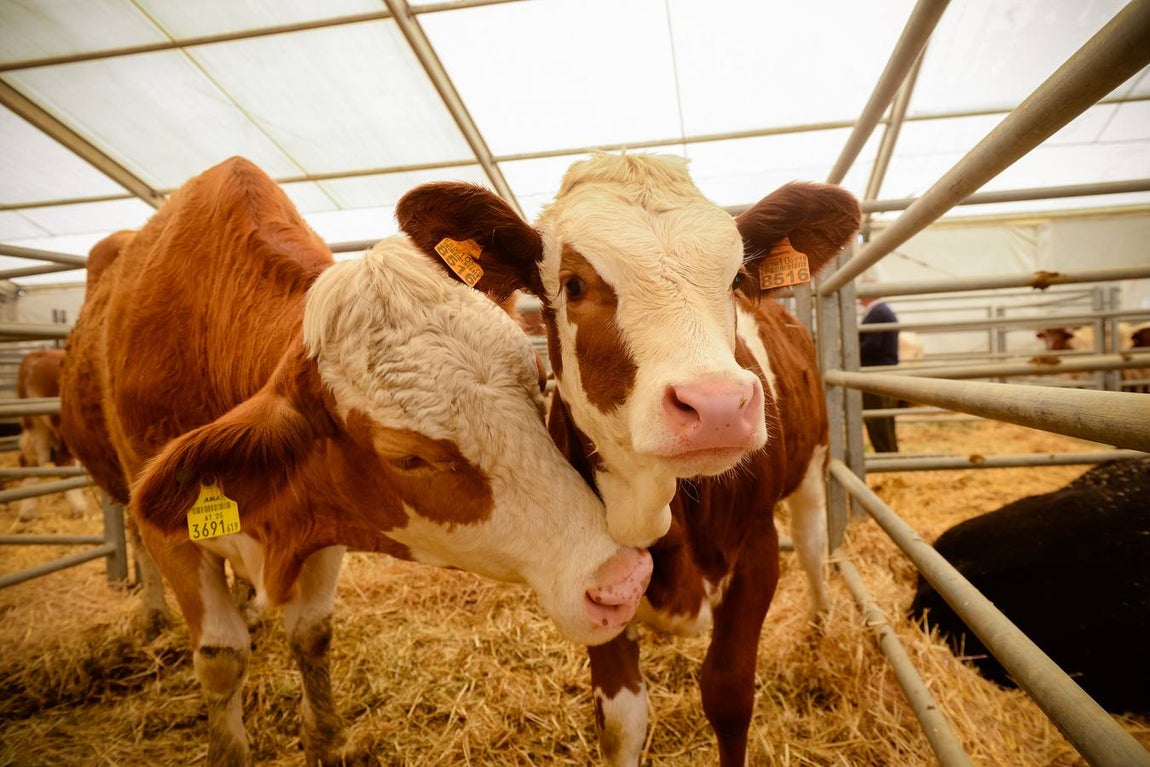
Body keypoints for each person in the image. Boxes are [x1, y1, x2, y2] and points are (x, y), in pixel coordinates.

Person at [859, 295, 900, 453]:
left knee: (877, 417)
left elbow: (873, 345)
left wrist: (848, 351)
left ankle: (885, 453)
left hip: (875, 371)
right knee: (884, 417)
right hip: (884, 370)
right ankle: (890, 453)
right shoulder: (882, 311)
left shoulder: (877, 312)